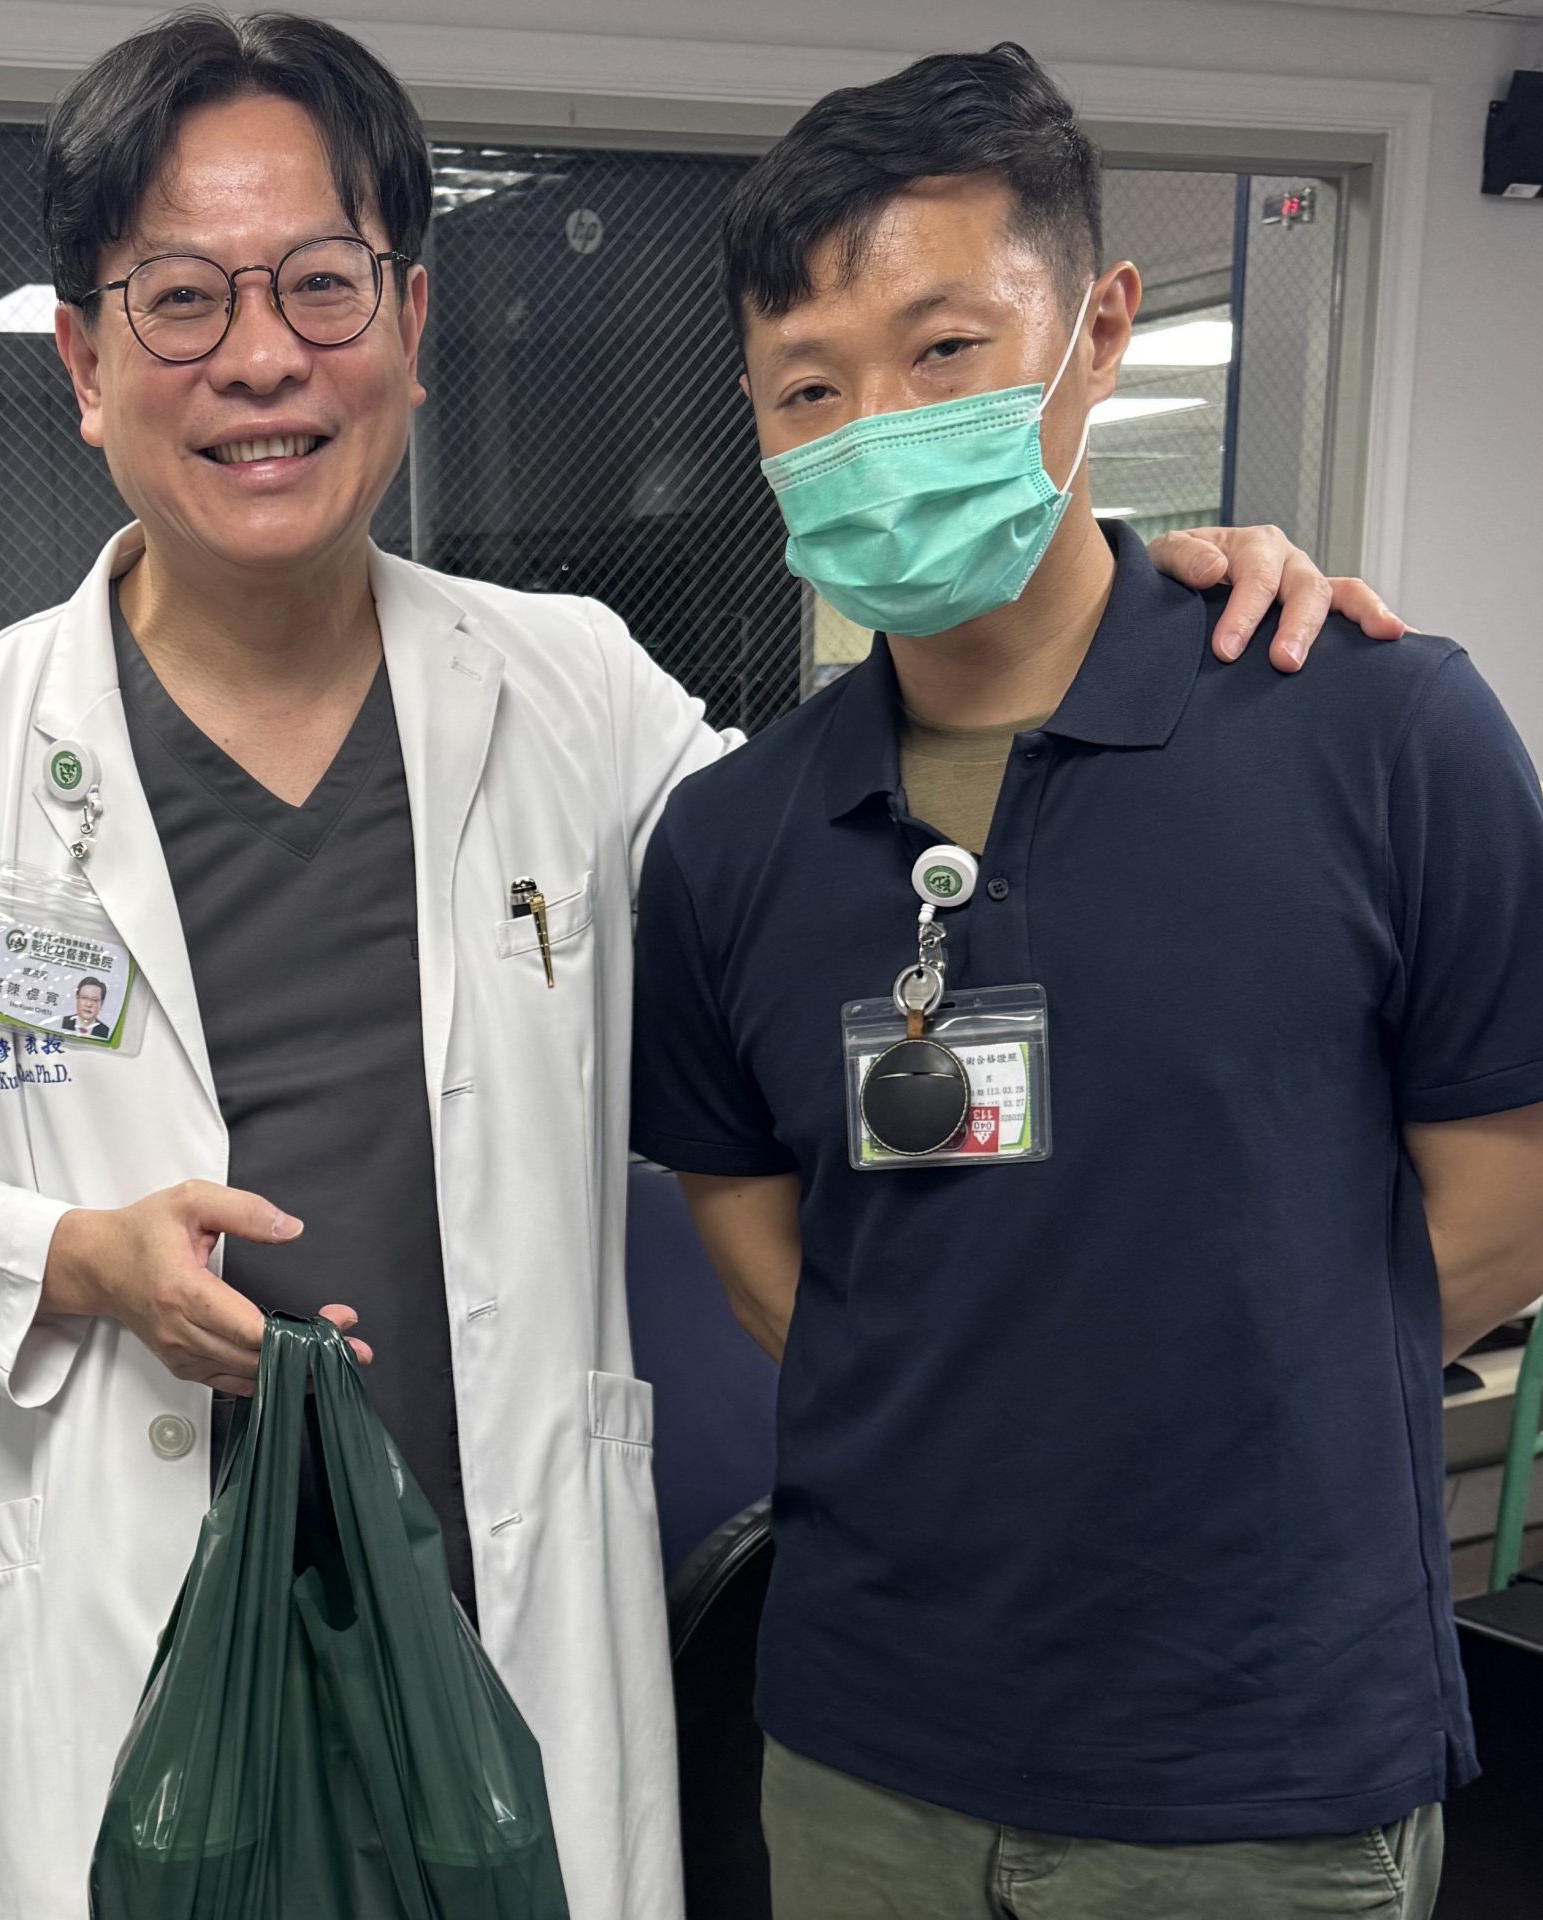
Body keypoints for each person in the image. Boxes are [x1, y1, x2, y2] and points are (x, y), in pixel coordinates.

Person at [0, 14, 1394, 1917]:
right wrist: (66, 1258)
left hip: (505, 1642)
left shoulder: (579, 692)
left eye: (321, 282)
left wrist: (1121, 607)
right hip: (146, 1657)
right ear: (82, 360)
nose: (263, 357)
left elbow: (861, 863)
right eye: (182, 299)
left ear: (411, 318)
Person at [631, 45, 1543, 1920]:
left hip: (1258, 1761)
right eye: (812, 387)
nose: (877, 425)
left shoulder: (1383, 736)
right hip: (865, 1748)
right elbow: (754, 1242)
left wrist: (1211, 1401)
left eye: (945, 351)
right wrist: (978, 1403)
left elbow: (1510, 1196)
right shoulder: (729, 838)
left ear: (1101, 330)